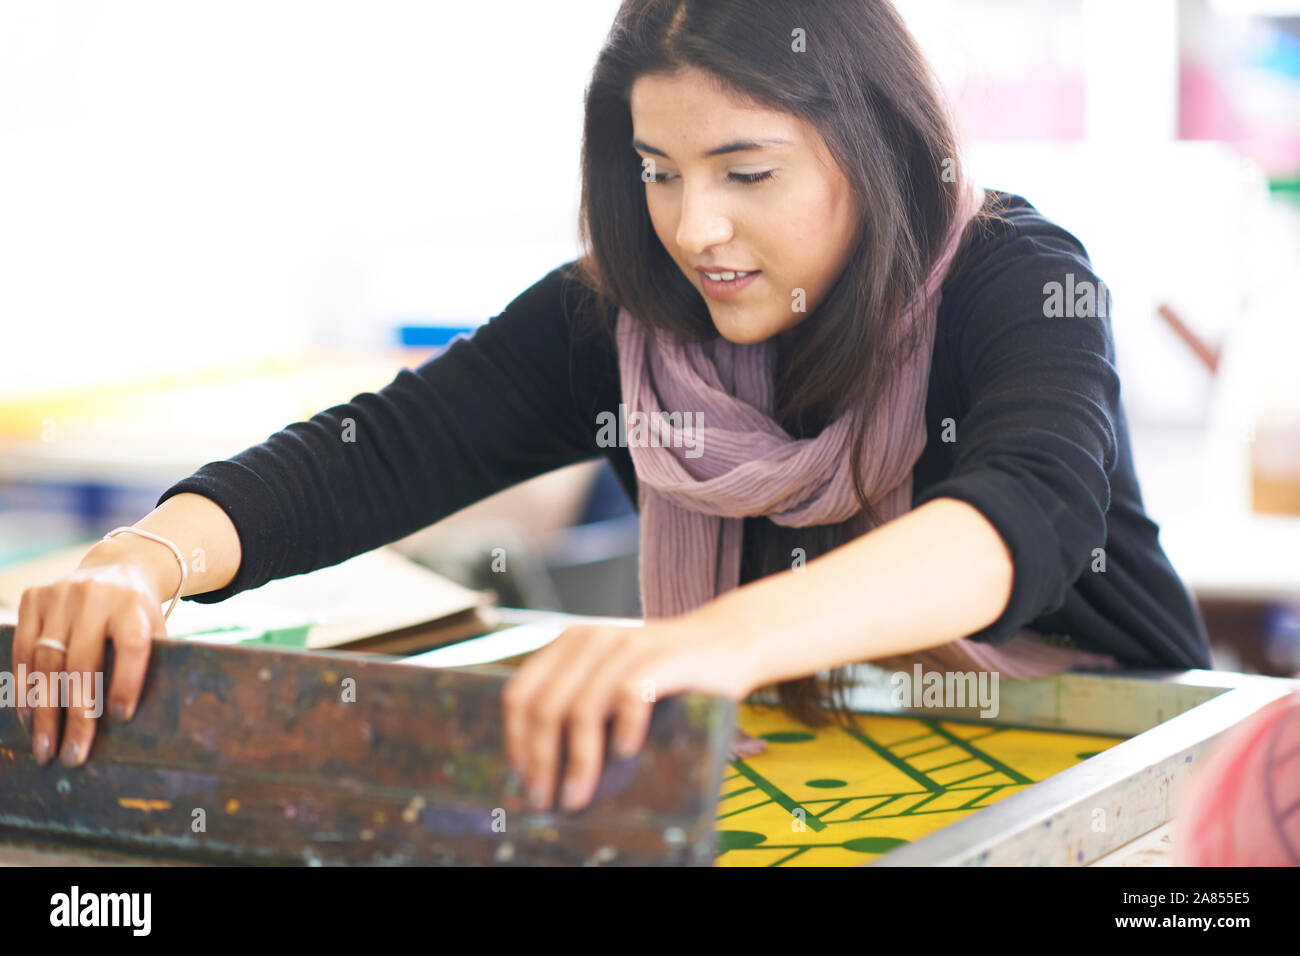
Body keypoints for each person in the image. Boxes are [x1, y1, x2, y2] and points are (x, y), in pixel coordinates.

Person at [13, 0, 1211, 817]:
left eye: (747, 172)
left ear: (882, 149)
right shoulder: (623, 314)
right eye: (657, 172)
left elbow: (1024, 514)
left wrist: (699, 647)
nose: (693, 228)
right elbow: (382, 449)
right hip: (810, 769)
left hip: (1107, 771)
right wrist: (146, 556)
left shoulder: (1012, 275)